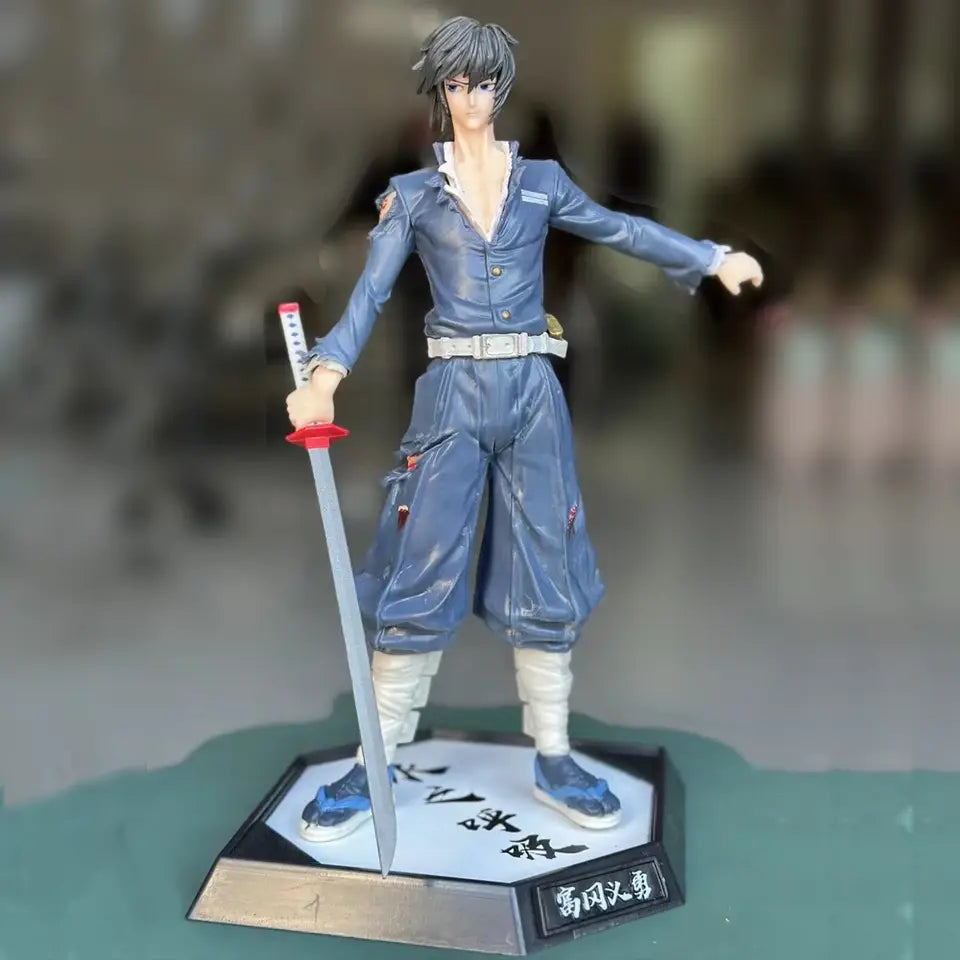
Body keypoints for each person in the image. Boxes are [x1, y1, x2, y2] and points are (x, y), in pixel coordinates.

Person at [286, 16, 763, 842]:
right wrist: (326, 374)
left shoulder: (541, 182)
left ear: (502, 88)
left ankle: (555, 754)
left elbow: (619, 228)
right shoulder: (415, 195)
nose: (471, 97)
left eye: (484, 82)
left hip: (534, 394)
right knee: (420, 568)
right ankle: (378, 758)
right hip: (452, 396)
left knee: (547, 564)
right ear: (441, 91)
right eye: (456, 83)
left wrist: (708, 257)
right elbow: (370, 293)